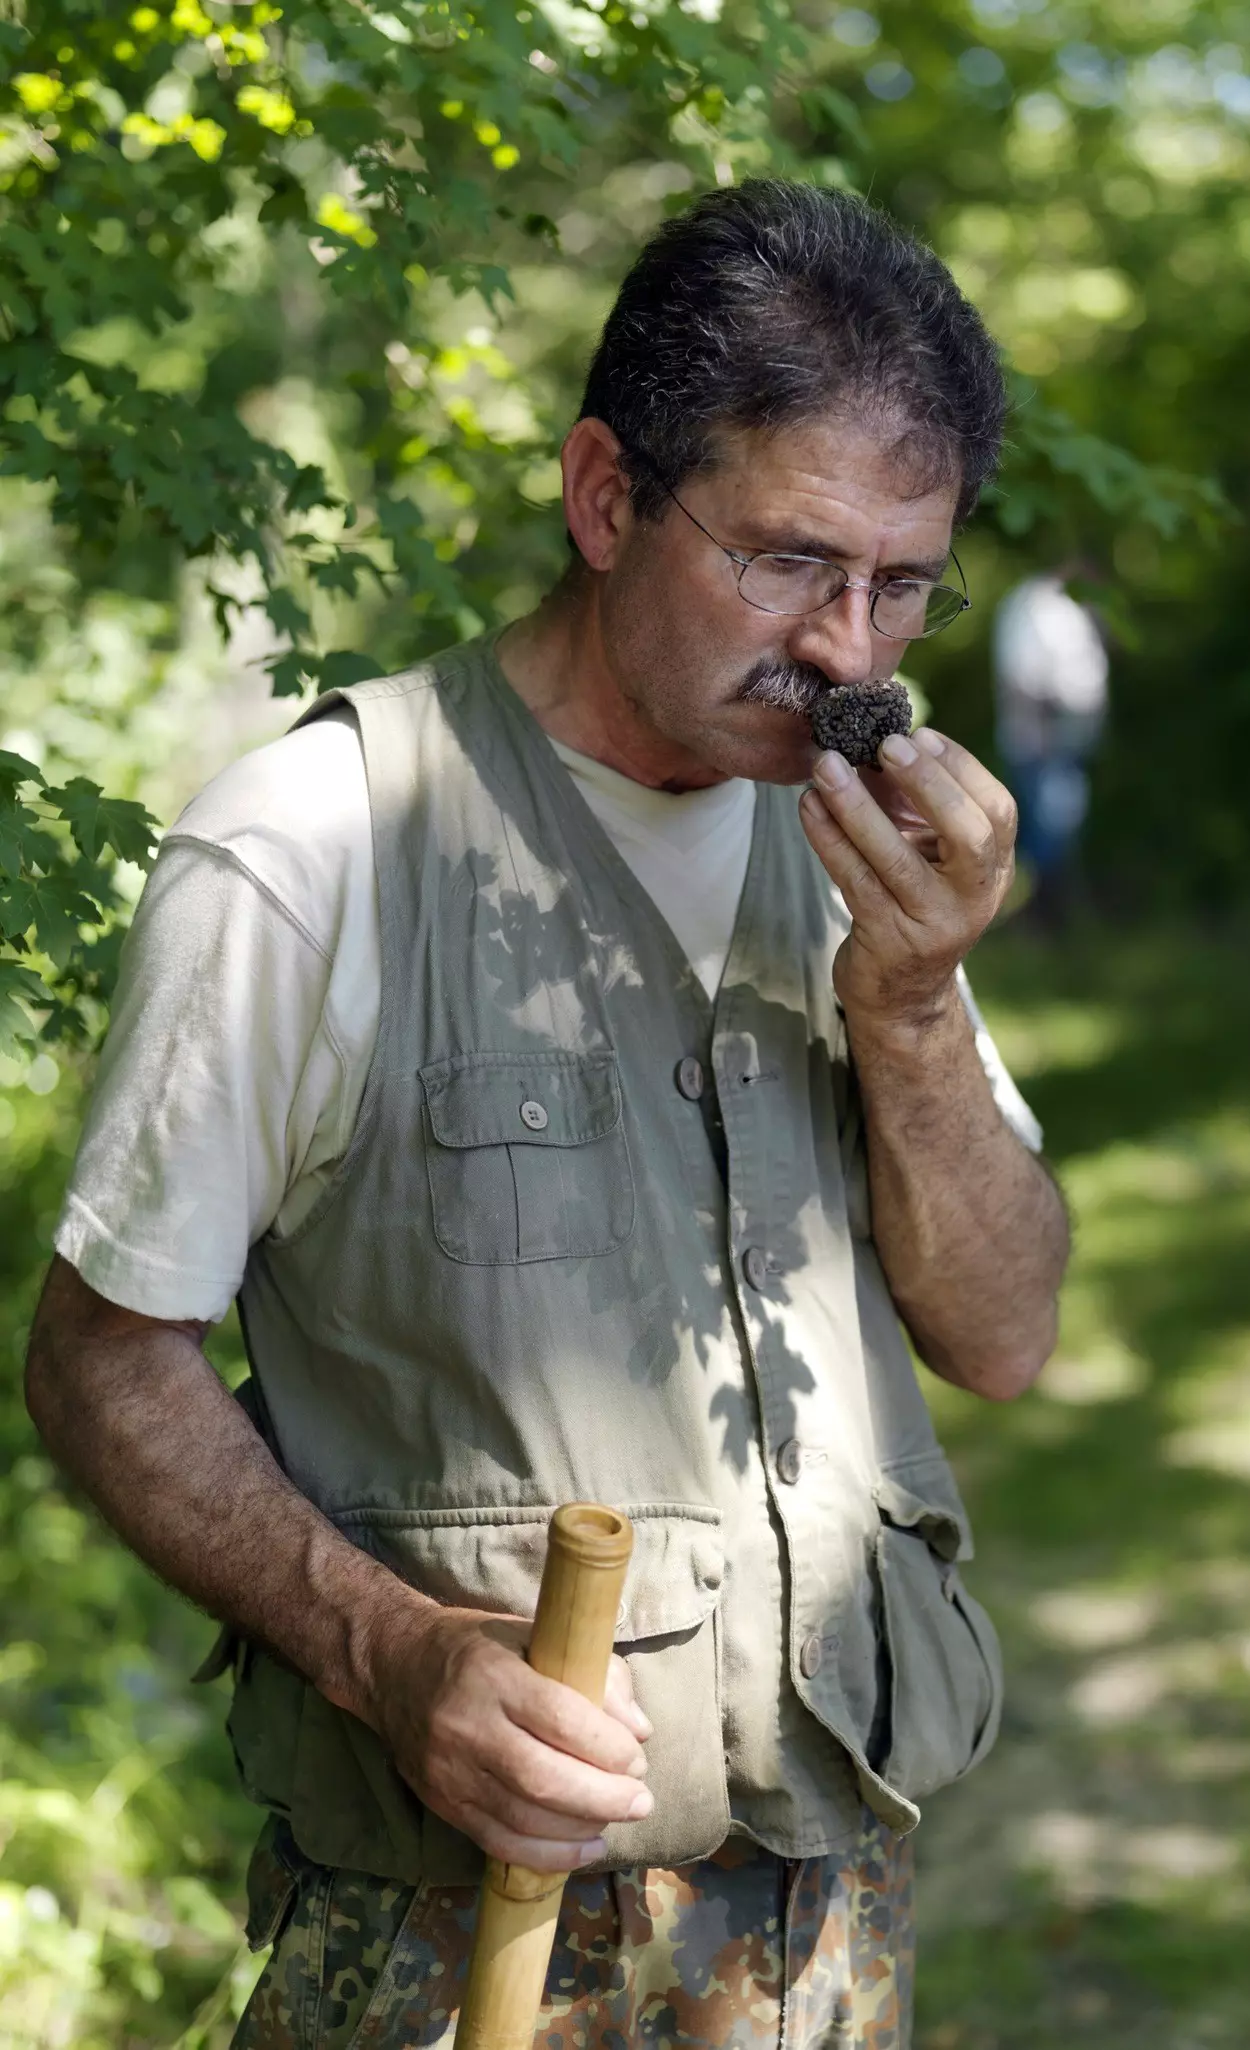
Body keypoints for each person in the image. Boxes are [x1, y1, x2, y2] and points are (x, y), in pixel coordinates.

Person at [25, 182, 1070, 2049]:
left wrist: (906, 1014)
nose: (851, 652)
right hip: (457, 1955)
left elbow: (1003, 1337)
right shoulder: (313, 846)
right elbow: (102, 1363)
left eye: (901, 583)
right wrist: (387, 1647)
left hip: (832, 1936)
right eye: (787, 563)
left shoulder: (860, 861)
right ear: (603, 497)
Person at [992, 566, 1109, 921]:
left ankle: (1049, 919)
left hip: (1064, 741)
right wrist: (1050, 725)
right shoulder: (1038, 604)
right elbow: (1024, 674)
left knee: (1057, 825)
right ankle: (1037, 918)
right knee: (1048, 830)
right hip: (1044, 741)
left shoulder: (1061, 603)